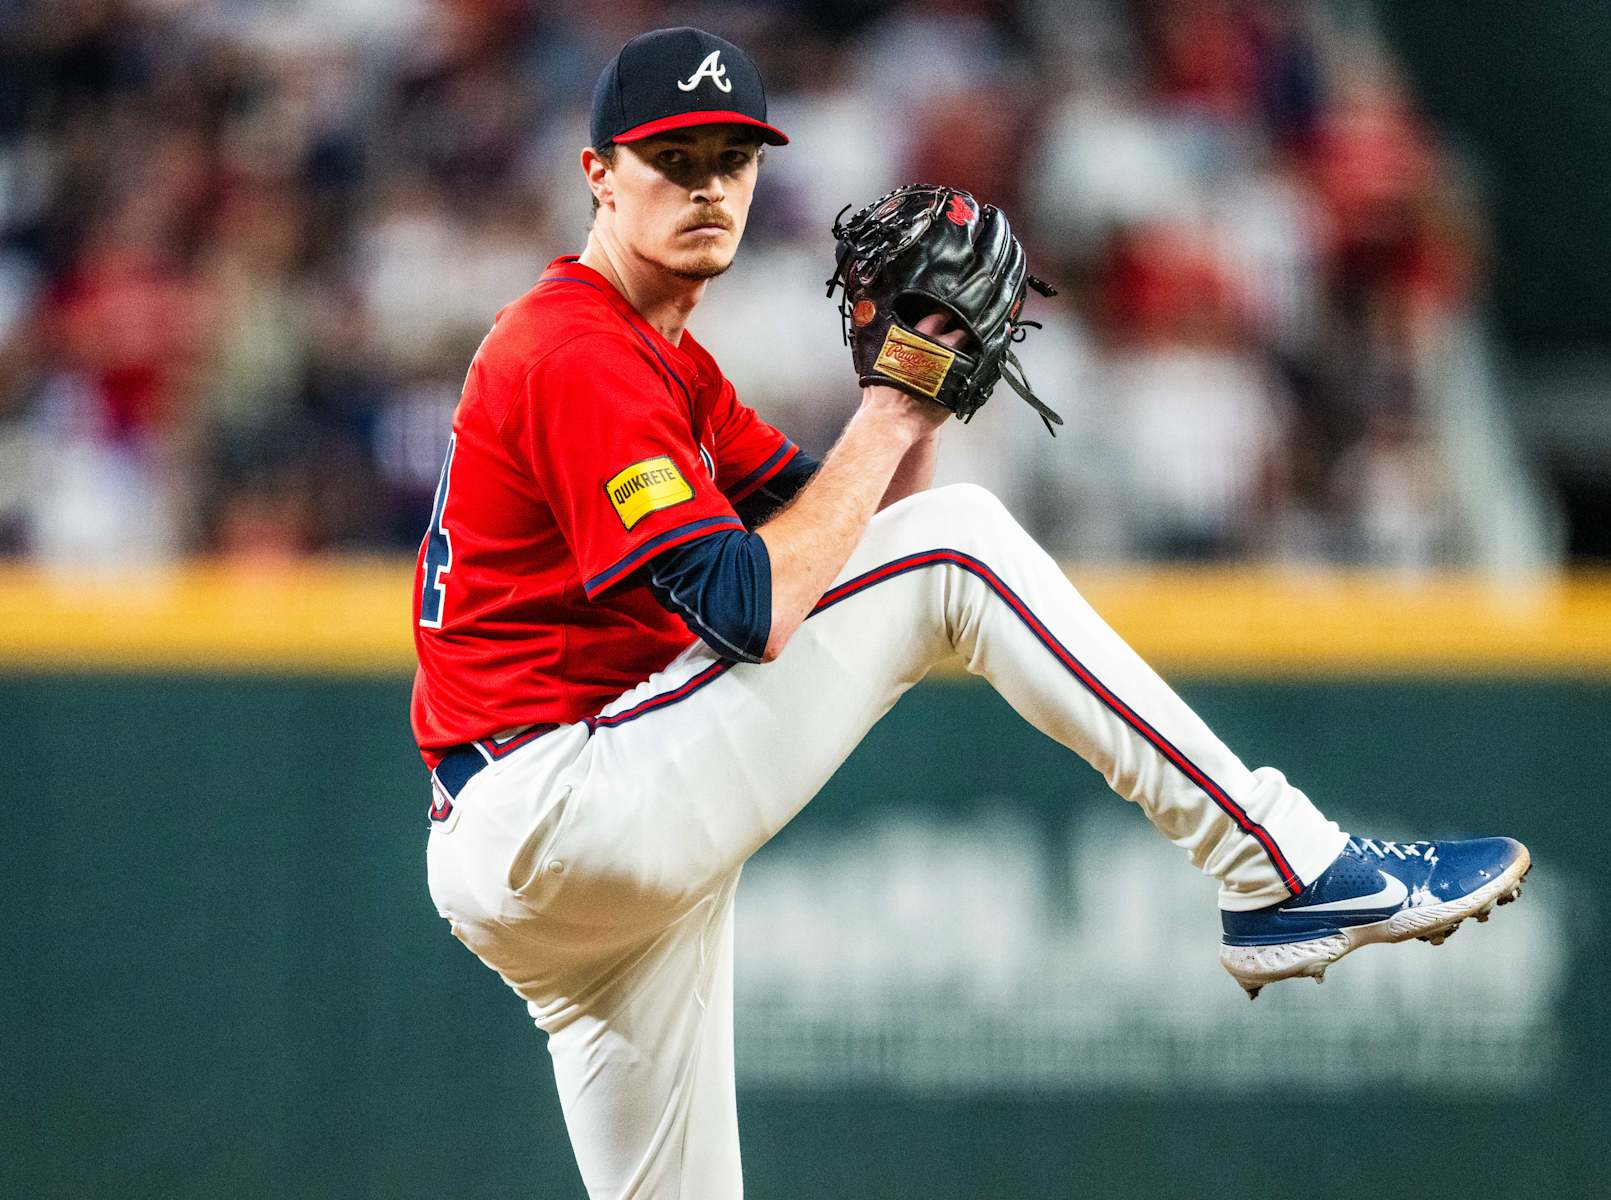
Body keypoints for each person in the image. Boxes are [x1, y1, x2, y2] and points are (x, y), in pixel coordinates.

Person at [413, 27, 1530, 1200]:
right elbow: (761, 607)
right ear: (599, 175)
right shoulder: (576, 351)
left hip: (567, 844)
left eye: (730, 159)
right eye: (672, 159)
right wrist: (890, 409)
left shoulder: (667, 364)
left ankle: (1279, 870)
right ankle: (1277, 864)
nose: (707, 188)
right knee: (966, 544)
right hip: (563, 803)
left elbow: (859, 537)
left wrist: (915, 388)